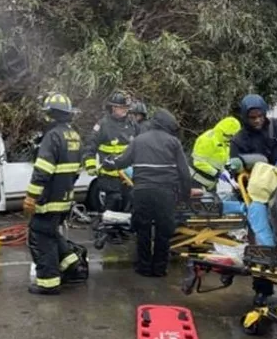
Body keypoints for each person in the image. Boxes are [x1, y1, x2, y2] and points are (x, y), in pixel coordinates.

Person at [101, 109, 192, 277]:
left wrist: (108, 164)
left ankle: (143, 267)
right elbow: (184, 173)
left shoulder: (139, 141)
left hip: (142, 191)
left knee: (142, 230)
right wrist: (184, 196)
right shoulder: (174, 143)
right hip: (166, 193)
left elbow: (122, 161)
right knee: (163, 232)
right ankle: (159, 268)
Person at [229, 93, 277, 305]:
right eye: (252, 117)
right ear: (245, 117)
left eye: (260, 116)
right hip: (257, 193)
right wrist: (241, 166)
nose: (257, 120)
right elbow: (235, 168)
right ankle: (262, 288)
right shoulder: (240, 139)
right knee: (261, 240)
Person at [24, 93, 86, 295]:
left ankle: (48, 283)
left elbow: (42, 170)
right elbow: (77, 170)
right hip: (65, 198)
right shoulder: (74, 135)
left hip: (48, 199)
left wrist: (31, 196)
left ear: (50, 114)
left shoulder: (52, 136)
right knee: (51, 232)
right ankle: (72, 266)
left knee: (40, 236)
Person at [82, 91, 138, 213]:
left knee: (128, 203)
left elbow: (140, 144)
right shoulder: (103, 124)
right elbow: (90, 145)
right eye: (122, 108)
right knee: (114, 201)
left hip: (128, 175)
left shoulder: (132, 124)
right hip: (109, 174)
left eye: (126, 108)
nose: (125, 110)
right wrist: (90, 165)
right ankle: (106, 229)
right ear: (113, 107)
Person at [190, 116, 241, 193]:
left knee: (216, 203)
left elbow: (222, 160)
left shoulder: (225, 142)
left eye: (232, 136)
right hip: (196, 180)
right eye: (228, 136)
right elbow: (198, 162)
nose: (230, 138)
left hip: (211, 183)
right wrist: (217, 173)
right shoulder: (207, 140)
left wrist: (228, 171)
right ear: (221, 131)